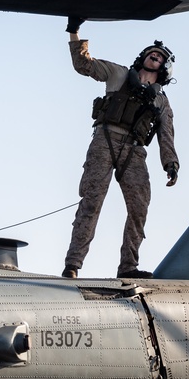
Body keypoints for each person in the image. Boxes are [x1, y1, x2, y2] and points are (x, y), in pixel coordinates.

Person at [61, 17, 179, 279]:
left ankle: (128, 267)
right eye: (152, 54)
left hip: (135, 152)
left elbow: (166, 134)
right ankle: (73, 264)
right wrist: (74, 31)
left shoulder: (161, 101)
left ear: (165, 67)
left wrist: (171, 164)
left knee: (139, 208)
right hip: (105, 141)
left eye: (159, 57)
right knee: (91, 202)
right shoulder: (118, 74)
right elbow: (84, 65)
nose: (154, 58)